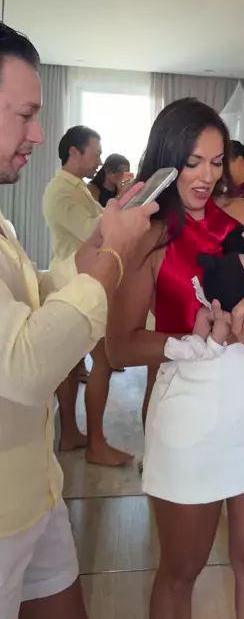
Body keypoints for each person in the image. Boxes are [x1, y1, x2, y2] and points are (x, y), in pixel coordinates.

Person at [106, 97, 244, 619]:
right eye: (193, 163)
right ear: (167, 160)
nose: (207, 176)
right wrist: (192, 341)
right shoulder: (147, 236)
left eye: (215, 161)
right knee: (180, 572)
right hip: (189, 417)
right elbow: (120, 345)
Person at [0, 22, 158, 619]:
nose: (39, 135)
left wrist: (97, 247)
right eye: (26, 115)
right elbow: (24, 366)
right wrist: (112, 255)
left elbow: (32, 298)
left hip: (33, 489)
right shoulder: (59, 192)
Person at [43, 127, 132, 467]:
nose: (99, 160)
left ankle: (71, 434)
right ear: (74, 152)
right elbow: (94, 232)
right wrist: (123, 205)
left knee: (72, 364)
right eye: (95, 153)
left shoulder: (77, 187)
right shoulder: (61, 191)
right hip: (75, 281)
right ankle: (95, 443)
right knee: (103, 362)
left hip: (78, 280)